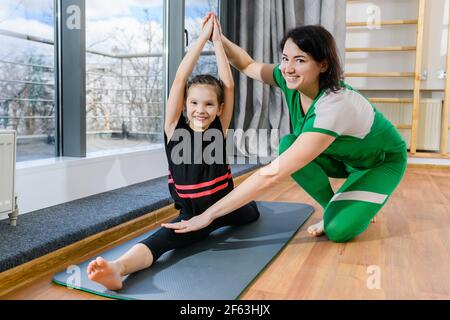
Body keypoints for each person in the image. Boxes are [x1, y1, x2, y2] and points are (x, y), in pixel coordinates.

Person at [163, 17, 407, 244]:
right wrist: (218, 37)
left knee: (337, 231)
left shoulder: (334, 107)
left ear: (323, 64)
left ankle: (360, 201)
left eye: (300, 60)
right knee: (288, 144)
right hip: (343, 157)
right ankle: (335, 204)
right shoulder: (292, 79)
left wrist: (209, 215)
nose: (288, 68)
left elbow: (272, 174)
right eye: (285, 58)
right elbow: (247, 64)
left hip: (380, 163)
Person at [86, 15, 260, 291]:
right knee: (162, 239)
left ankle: (236, 211)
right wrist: (201, 37)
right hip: (192, 215)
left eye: (208, 104)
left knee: (252, 212)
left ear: (218, 108)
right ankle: (118, 268)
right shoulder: (173, 129)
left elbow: (229, 85)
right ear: (184, 105)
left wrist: (217, 41)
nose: (200, 109)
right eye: (193, 102)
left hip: (225, 208)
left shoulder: (218, 129)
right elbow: (180, 79)